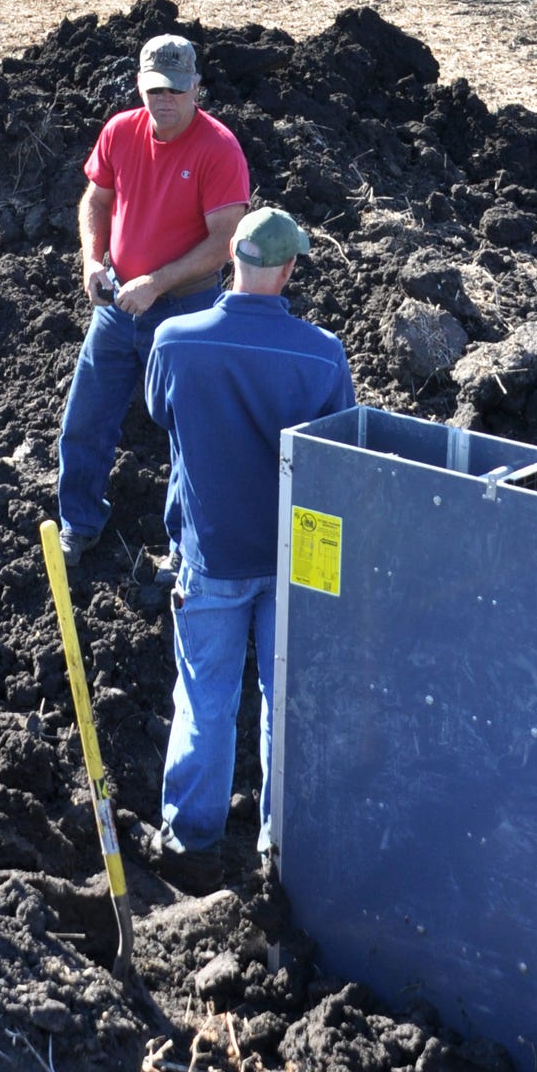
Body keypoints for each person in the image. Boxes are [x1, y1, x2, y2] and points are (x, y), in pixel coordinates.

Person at [142, 206, 355, 885]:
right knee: (284, 701)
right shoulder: (321, 354)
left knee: (205, 699)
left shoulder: (176, 341)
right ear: (290, 267)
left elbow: (159, 414)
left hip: (210, 556)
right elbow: (340, 455)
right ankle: (279, 848)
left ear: (231, 258)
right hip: (297, 560)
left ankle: (189, 843)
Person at [55, 34, 251, 568]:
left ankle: (182, 549)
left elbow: (223, 244)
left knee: (190, 434)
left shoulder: (218, 150)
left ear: (196, 89)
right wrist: (93, 262)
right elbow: (96, 199)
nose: (164, 99)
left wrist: (157, 283)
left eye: (175, 89)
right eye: (153, 88)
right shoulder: (120, 131)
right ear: (141, 85)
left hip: (187, 310)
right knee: (87, 417)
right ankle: (78, 523)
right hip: (118, 306)